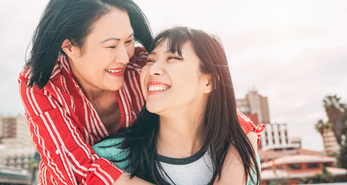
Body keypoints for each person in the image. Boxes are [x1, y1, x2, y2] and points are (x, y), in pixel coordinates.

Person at [19, 0, 258, 184]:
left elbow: (222, 111)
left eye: (129, 40)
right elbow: (78, 169)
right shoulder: (42, 83)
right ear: (69, 46)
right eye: (111, 45)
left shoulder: (144, 65)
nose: (125, 57)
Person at [93, 27, 265, 185]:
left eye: (173, 58)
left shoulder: (242, 162)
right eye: (150, 60)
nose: (153, 70)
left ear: (209, 81)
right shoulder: (109, 159)